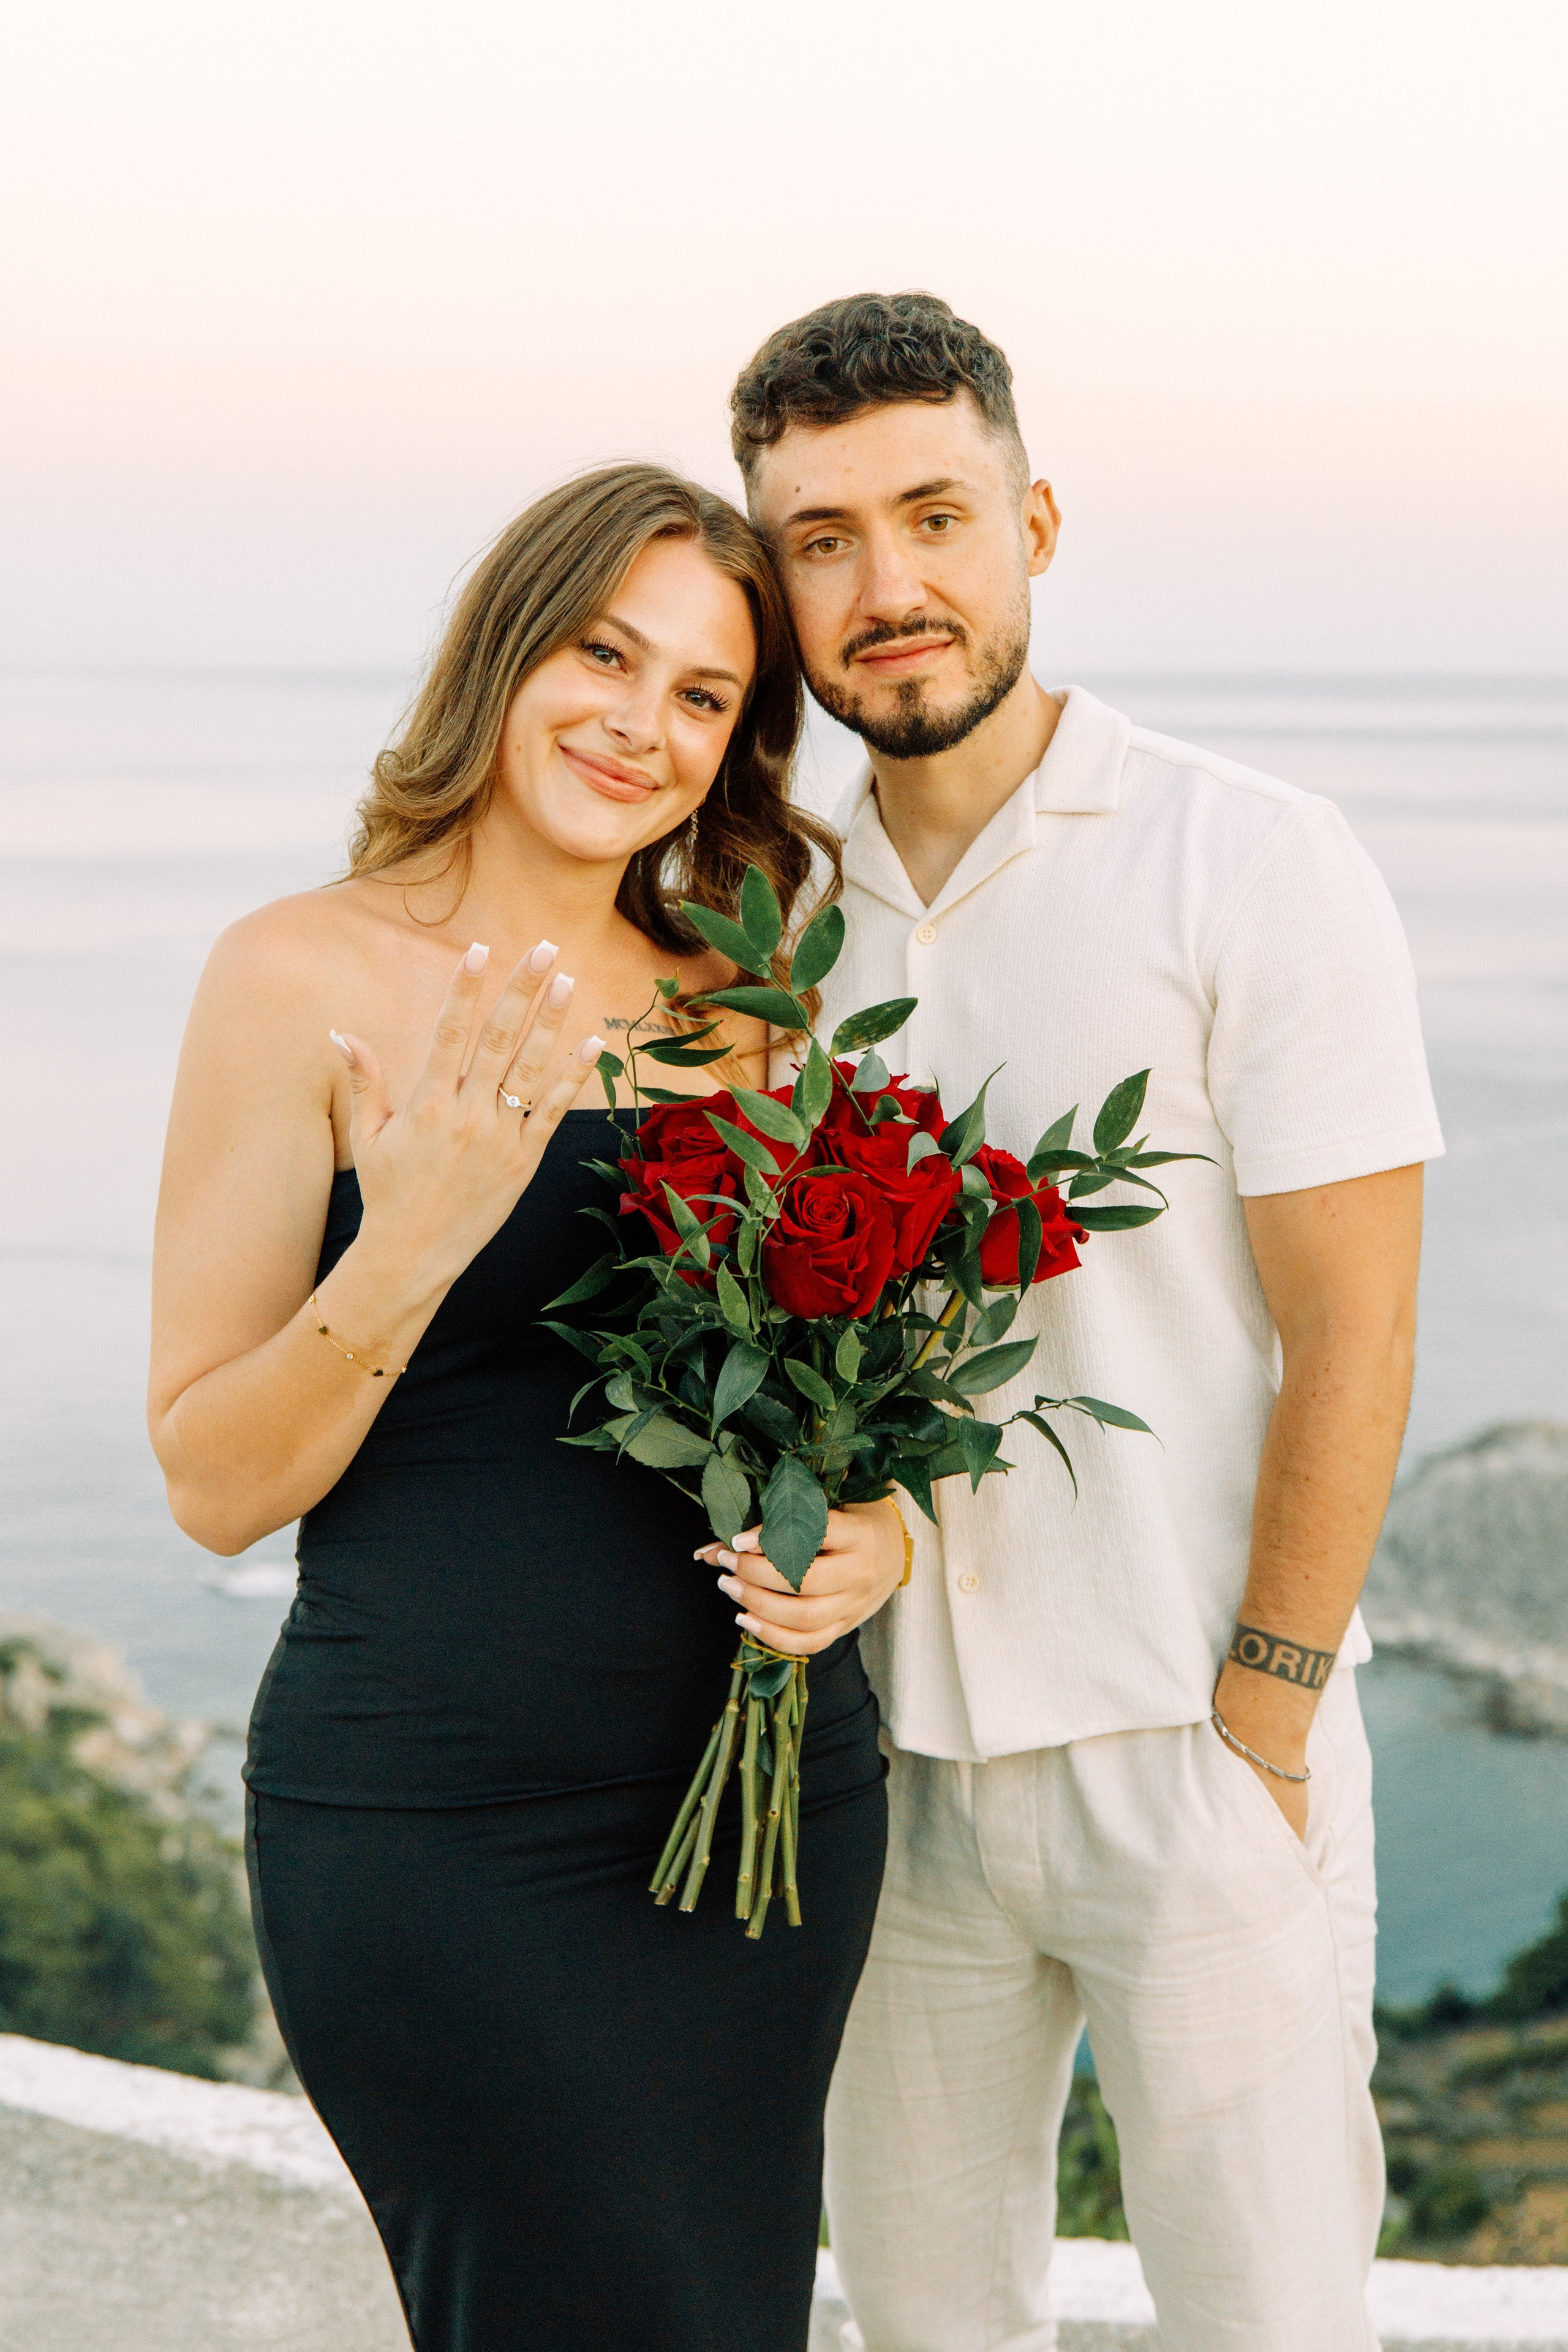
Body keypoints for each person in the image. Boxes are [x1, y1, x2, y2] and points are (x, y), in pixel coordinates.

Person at [719, 293, 1444, 2352]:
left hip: (1187, 1741)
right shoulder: (768, 903)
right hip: (883, 1771)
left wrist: (1269, 1724)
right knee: (925, 2325)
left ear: (1033, 520)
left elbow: (1357, 1329)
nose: (889, 587)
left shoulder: (1253, 861)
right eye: (824, 542)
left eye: (934, 516)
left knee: (1269, 2324)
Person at [148, 464, 905, 2352]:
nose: (639, 724)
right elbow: (211, 1487)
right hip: (441, 1833)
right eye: (604, 652)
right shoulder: (295, 977)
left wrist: (890, 1530)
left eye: (703, 696)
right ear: (510, 645)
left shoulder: (748, 1016)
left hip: (762, 1817)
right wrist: (408, 1245)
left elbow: (834, 1412)